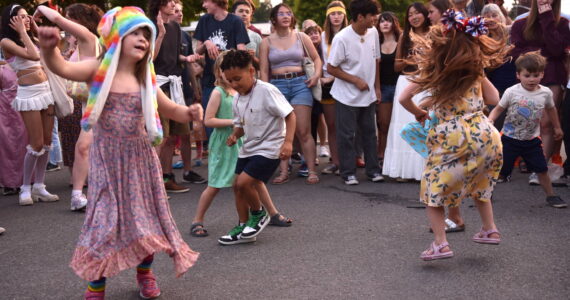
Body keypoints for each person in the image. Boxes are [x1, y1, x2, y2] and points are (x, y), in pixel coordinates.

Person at [38, 6, 200, 299]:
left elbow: (169, 108)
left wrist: (188, 111)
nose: (142, 39)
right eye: (135, 32)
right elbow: (63, 69)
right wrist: (49, 50)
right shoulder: (97, 70)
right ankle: (96, 283)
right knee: (104, 223)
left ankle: (145, 273)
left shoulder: (146, 78)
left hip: (141, 161)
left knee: (145, 220)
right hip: (107, 162)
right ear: (117, 37)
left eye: (146, 34)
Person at [399, 9, 508, 260]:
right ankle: (490, 229)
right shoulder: (476, 70)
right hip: (484, 132)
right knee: (481, 182)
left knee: (432, 189)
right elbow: (494, 99)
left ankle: (440, 243)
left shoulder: (436, 70)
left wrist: (419, 112)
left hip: (452, 134)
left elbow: (405, 98)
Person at [218, 49, 296, 245]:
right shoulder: (236, 97)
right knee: (236, 186)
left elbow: (290, 114)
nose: (234, 84)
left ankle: (259, 214)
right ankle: (244, 226)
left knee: (245, 183)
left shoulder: (267, 90)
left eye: (238, 78)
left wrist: (288, 142)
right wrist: (235, 135)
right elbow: (242, 125)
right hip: (249, 147)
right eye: (230, 81)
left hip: (270, 147)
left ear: (251, 72)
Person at [34, 3, 103, 211]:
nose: (67, 23)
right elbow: (60, 65)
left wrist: (40, 9)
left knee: (88, 147)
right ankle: (77, 195)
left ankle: (85, 194)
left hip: (101, 103)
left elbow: (56, 20)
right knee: (84, 148)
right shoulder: (80, 43)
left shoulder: (90, 38)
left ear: (80, 21)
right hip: (88, 103)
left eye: (70, 18)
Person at [489, 52, 566, 208]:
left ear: (542, 74)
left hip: (532, 141)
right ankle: (486, 196)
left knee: (542, 169)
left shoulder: (545, 93)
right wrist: (490, 121)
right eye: (527, 75)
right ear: (518, 75)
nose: (531, 79)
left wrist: (557, 127)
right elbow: (498, 109)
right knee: (500, 171)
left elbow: (551, 110)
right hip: (509, 139)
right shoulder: (512, 91)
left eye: (536, 75)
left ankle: (551, 196)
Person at [0, 4, 59, 206]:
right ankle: (25, 187)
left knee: (47, 142)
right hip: (28, 94)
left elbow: (51, 52)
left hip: (46, 91)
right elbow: (33, 56)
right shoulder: (6, 41)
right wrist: (24, 32)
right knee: (35, 143)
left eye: (27, 16)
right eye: (22, 17)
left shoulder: (31, 38)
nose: (26, 19)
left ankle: (39, 186)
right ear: (11, 20)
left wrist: (34, 30)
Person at [259, 3, 322, 185]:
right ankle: (283, 171)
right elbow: (264, 70)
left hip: (300, 83)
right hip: (276, 86)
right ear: (274, 18)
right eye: (281, 14)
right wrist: (265, 92)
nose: (286, 16)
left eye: (288, 13)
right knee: (281, 131)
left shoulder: (301, 36)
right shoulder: (266, 42)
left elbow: (316, 58)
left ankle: (311, 170)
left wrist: (317, 75)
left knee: (304, 130)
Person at [510, 0, 570, 185]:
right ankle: (520, 162)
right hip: (526, 77)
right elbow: (514, 51)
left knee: (546, 123)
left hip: (552, 75)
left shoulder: (562, 23)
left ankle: (539, 168)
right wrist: (533, 54)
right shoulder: (520, 22)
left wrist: (547, 17)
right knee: (525, 121)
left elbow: (557, 49)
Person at [149, 0, 206, 193]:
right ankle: (154, 183)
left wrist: (187, 58)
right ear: (159, 4)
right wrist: (160, 33)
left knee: (174, 137)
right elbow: (149, 59)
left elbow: (176, 57)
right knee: (161, 138)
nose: (174, 5)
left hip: (175, 85)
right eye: (170, 2)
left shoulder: (175, 26)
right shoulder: (149, 26)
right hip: (158, 85)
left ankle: (168, 177)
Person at [327, 0, 383, 185]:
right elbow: (331, 68)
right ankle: (348, 172)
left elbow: (376, 60)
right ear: (360, 17)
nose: (376, 19)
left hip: (368, 94)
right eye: (372, 15)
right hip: (346, 96)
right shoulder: (341, 38)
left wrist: (376, 87)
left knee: (370, 133)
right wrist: (355, 80)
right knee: (347, 135)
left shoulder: (373, 32)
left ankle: (373, 171)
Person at [383, 2, 431, 182]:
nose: (414, 17)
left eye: (417, 13)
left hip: (427, 83)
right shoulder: (405, 36)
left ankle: (424, 169)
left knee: (425, 124)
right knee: (403, 127)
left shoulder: (434, 34)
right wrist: (410, 58)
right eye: (410, 15)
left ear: (425, 14)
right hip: (406, 82)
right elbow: (396, 66)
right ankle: (403, 170)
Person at [193, 0, 250, 142]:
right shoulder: (204, 20)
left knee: (234, 119)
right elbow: (197, 50)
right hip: (210, 81)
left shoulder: (235, 21)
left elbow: (241, 50)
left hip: (232, 82)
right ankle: (216, 155)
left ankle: (235, 156)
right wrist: (207, 43)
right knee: (211, 122)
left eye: (206, 1)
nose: (203, 5)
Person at [171, 0, 207, 185]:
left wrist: (195, 87)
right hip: (167, 89)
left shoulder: (184, 35)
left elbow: (190, 65)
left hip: (184, 88)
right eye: (175, 10)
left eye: (180, 11)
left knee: (186, 133)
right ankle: (165, 175)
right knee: (167, 137)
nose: (179, 14)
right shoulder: (160, 34)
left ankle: (187, 170)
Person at [320, 0, 349, 175]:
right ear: (328, 16)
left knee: (347, 125)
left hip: (345, 81)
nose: (336, 17)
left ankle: (349, 160)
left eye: (339, 13)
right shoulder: (323, 36)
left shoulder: (350, 33)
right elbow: (321, 60)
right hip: (328, 83)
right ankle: (336, 162)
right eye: (332, 14)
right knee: (331, 124)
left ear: (344, 15)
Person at [0, 46, 27, 196]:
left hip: (21, 105)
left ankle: (25, 179)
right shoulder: (5, 68)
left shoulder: (22, 64)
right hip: (5, 108)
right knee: (7, 144)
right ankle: (10, 182)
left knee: (24, 141)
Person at [376, 11, 400, 171]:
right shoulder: (376, 42)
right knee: (383, 124)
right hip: (383, 88)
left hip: (400, 87)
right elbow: (375, 69)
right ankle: (381, 156)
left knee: (397, 124)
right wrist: (377, 88)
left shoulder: (401, 41)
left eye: (388, 21)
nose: (385, 23)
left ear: (394, 23)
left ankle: (396, 157)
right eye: (382, 21)